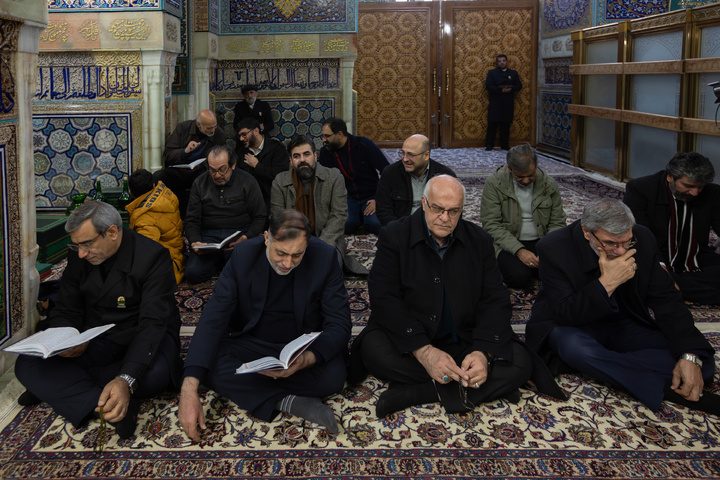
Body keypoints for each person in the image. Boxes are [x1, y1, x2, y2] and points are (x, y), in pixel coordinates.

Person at [348, 175, 565, 418]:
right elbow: (384, 298)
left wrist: (483, 353)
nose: (445, 218)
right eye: (438, 208)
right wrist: (425, 352)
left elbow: (495, 299)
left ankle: (419, 392)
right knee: (374, 352)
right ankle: (486, 387)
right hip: (412, 336)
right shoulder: (394, 236)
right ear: (423, 202)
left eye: (454, 211)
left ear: (463, 209)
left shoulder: (480, 240)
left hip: (463, 338)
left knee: (520, 362)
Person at [526, 198, 720, 415]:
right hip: (572, 325)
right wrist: (606, 284)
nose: (620, 251)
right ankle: (653, 383)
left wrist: (688, 355)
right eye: (610, 243)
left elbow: (667, 298)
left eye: (626, 242)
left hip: (622, 321)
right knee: (577, 349)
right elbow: (565, 313)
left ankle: (603, 367)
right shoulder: (554, 248)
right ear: (586, 232)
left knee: (703, 363)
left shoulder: (642, 239)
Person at [14, 201, 181, 439]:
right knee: (26, 364)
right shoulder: (80, 256)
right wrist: (66, 338)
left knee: (154, 377)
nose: (81, 253)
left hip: (141, 338)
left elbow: (153, 324)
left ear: (112, 232)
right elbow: (67, 307)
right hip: (96, 337)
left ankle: (58, 387)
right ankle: (109, 406)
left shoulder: (153, 257)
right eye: (76, 246)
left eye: (87, 244)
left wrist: (126, 378)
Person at [177, 210, 351, 438]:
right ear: (267, 238)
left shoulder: (325, 256)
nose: (288, 263)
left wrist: (307, 359)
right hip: (253, 343)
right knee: (208, 364)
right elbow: (213, 317)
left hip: (302, 348)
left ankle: (261, 392)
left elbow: (339, 323)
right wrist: (188, 388)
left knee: (335, 375)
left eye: (297, 255)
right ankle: (288, 401)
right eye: (281, 253)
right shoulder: (243, 255)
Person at [623, 152, 720, 305]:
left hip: (695, 259)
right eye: (688, 186)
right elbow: (639, 236)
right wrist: (660, 268)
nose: (695, 193)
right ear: (670, 177)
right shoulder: (641, 189)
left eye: (700, 187)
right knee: (644, 276)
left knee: (669, 283)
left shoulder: (712, 192)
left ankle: (677, 286)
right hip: (655, 258)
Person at [271, 135, 368, 275]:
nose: (302, 160)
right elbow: (277, 219)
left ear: (315, 156)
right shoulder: (280, 182)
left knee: (327, 270)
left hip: (327, 239)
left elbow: (339, 216)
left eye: (306, 154)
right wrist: (296, 246)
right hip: (291, 241)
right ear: (291, 160)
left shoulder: (334, 177)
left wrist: (320, 245)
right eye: (297, 156)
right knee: (284, 272)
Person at [480, 144, 567, 289]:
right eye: (520, 176)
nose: (526, 181)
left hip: (542, 240)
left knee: (562, 271)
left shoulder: (549, 185)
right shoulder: (495, 184)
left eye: (530, 175)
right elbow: (491, 224)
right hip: (509, 242)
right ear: (509, 169)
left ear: (537, 165)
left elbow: (557, 222)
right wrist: (519, 251)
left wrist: (547, 250)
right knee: (519, 278)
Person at [184, 144, 267, 284]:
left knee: (246, 274)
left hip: (238, 235)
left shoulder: (247, 181)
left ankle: (225, 262)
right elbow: (191, 219)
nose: (217, 175)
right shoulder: (200, 182)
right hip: (209, 238)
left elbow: (260, 216)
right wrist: (195, 241)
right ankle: (219, 262)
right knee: (192, 274)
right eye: (212, 170)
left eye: (222, 170)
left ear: (233, 165)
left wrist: (247, 237)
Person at [318, 117, 389, 235]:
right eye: (323, 136)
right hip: (346, 196)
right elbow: (325, 181)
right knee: (347, 225)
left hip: (370, 195)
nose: (323, 140)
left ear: (340, 134)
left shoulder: (363, 144)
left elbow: (387, 171)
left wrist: (378, 198)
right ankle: (358, 216)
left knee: (375, 224)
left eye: (327, 136)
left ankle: (363, 216)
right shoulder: (325, 152)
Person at [155, 109, 228, 216]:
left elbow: (223, 156)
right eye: (209, 128)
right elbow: (167, 155)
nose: (213, 130)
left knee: (204, 181)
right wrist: (185, 151)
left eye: (215, 126)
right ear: (198, 125)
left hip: (201, 171)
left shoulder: (218, 134)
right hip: (179, 171)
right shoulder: (183, 128)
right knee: (159, 176)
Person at [375, 134, 456, 227]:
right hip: (401, 227)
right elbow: (383, 211)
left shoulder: (445, 176)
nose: (405, 159)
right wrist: (400, 230)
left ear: (426, 155)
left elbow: (453, 211)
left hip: (434, 228)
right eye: (403, 153)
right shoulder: (390, 173)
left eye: (411, 155)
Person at [126, 169, 185, 284]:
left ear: (130, 192)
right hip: (178, 253)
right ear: (153, 184)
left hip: (169, 265)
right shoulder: (165, 192)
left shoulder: (144, 220)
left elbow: (145, 253)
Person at [235, 117, 289, 212]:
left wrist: (257, 166)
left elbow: (281, 177)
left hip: (273, 201)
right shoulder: (241, 153)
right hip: (249, 203)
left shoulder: (277, 148)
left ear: (256, 131)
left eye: (244, 134)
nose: (241, 139)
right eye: (239, 136)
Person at [485, 54, 522, 151]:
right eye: (500, 61)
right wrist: (500, 91)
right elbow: (489, 86)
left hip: (508, 103)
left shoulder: (513, 73)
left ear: (507, 62)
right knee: (492, 124)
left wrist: (510, 89)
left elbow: (519, 85)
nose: (502, 62)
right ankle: (489, 145)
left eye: (503, 60)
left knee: (506, 125)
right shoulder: (492, 73)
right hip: (495, 102)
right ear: (497, 63)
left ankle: (504, 145)